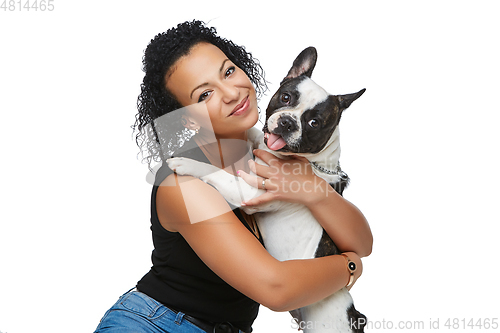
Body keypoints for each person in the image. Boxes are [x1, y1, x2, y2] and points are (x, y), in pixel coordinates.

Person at [94, 20, 372, 333]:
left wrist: (313, 190)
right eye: (204, 95)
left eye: (228, 71)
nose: (231, 92)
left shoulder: (270, 154)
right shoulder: (181, 181)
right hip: (154, 325)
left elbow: (361, 241)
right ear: (187, 120)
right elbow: (276, 288)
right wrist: (350, 268)